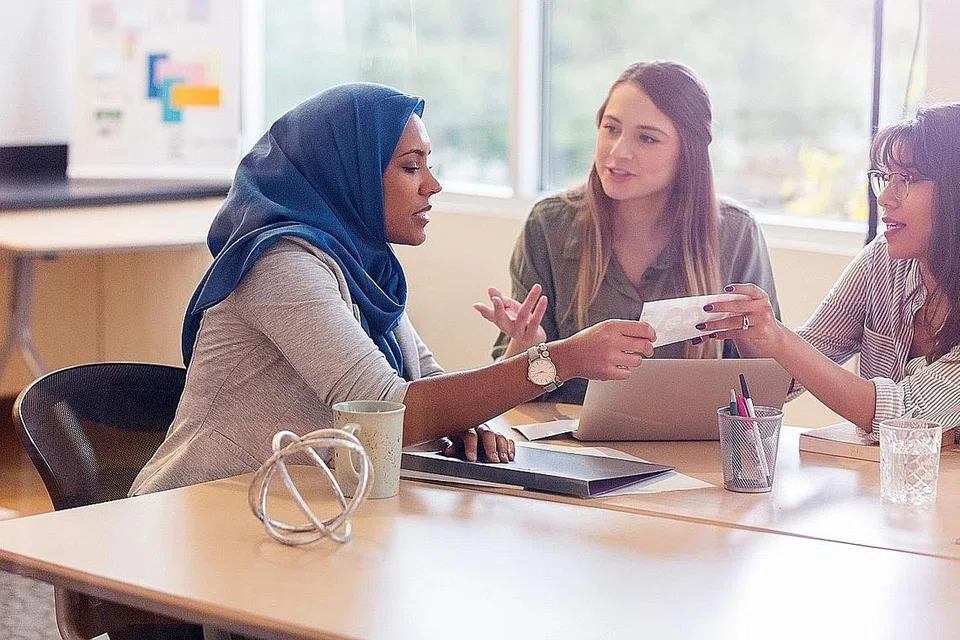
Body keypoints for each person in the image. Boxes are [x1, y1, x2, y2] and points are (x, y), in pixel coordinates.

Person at [130, 82, 658, 497]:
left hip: (306, 512)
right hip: (208, 522)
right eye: (411, 167)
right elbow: (391, 410)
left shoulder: (362, 267)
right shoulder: (281, 265)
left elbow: (427, 383)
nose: (433, 184)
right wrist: (560, 360)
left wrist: (467, 422)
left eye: (429, 164)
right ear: (351, 174)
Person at [475, 60, 780, 404]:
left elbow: (765, 393)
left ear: (688, 153)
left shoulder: (736, 234)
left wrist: (757, 336)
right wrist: (527, 345)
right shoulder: (549, 226)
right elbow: (509, 395)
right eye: (611, 128)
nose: (618, 152)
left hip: (691, 448)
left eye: (647, 138)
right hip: (568, 447)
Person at [699, 103, 960, 435]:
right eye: (885, 178)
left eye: (906, 179)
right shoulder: (882, 261)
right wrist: (758, 334)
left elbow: (903, 415)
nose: (884, 198)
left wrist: (779, 338)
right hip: (881, 481)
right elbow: (791, 377)